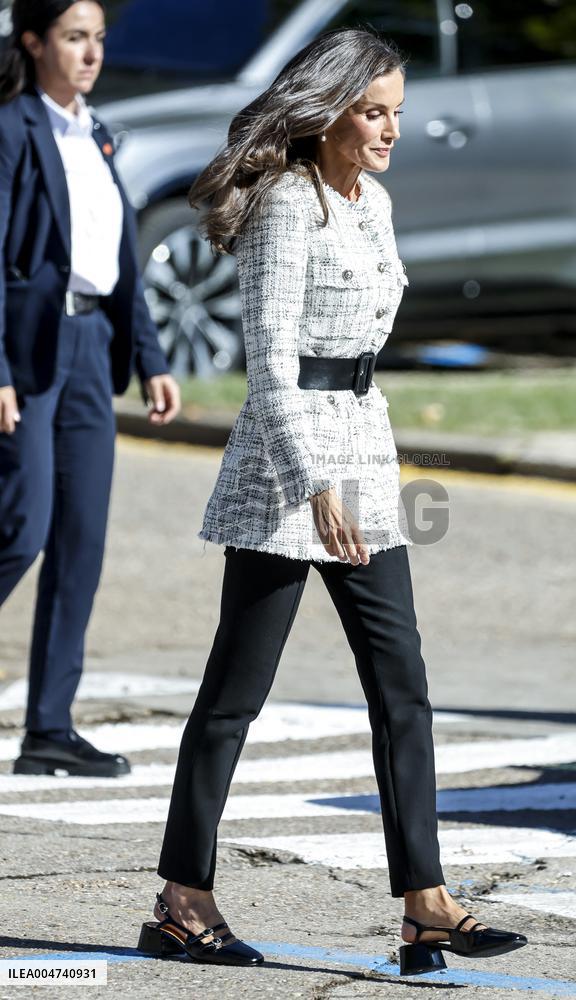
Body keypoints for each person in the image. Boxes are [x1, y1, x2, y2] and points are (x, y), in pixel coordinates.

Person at [138, 28, 527, 976]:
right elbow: (269, 366)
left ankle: (424, 906)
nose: (391, 128)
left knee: (403, 687)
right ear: (329, 115)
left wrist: (367, 473)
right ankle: (181, 900)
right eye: (373, 111)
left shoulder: (375, 201)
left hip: (363, 453)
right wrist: (312, 482)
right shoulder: (283, 205)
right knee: (235, 698)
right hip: (287, 470)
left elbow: (362, 354)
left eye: (397, 110)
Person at [0, 0, 181, 779]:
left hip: (91, 347)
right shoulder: (11, 127)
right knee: (22, 529)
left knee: (82, 543)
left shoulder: (96, 132)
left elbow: (121, 259)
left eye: (99, 38)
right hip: (27, 352)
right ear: (34, 41)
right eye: (75, 37)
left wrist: (151, 357)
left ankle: (48, 727)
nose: (91, 53)